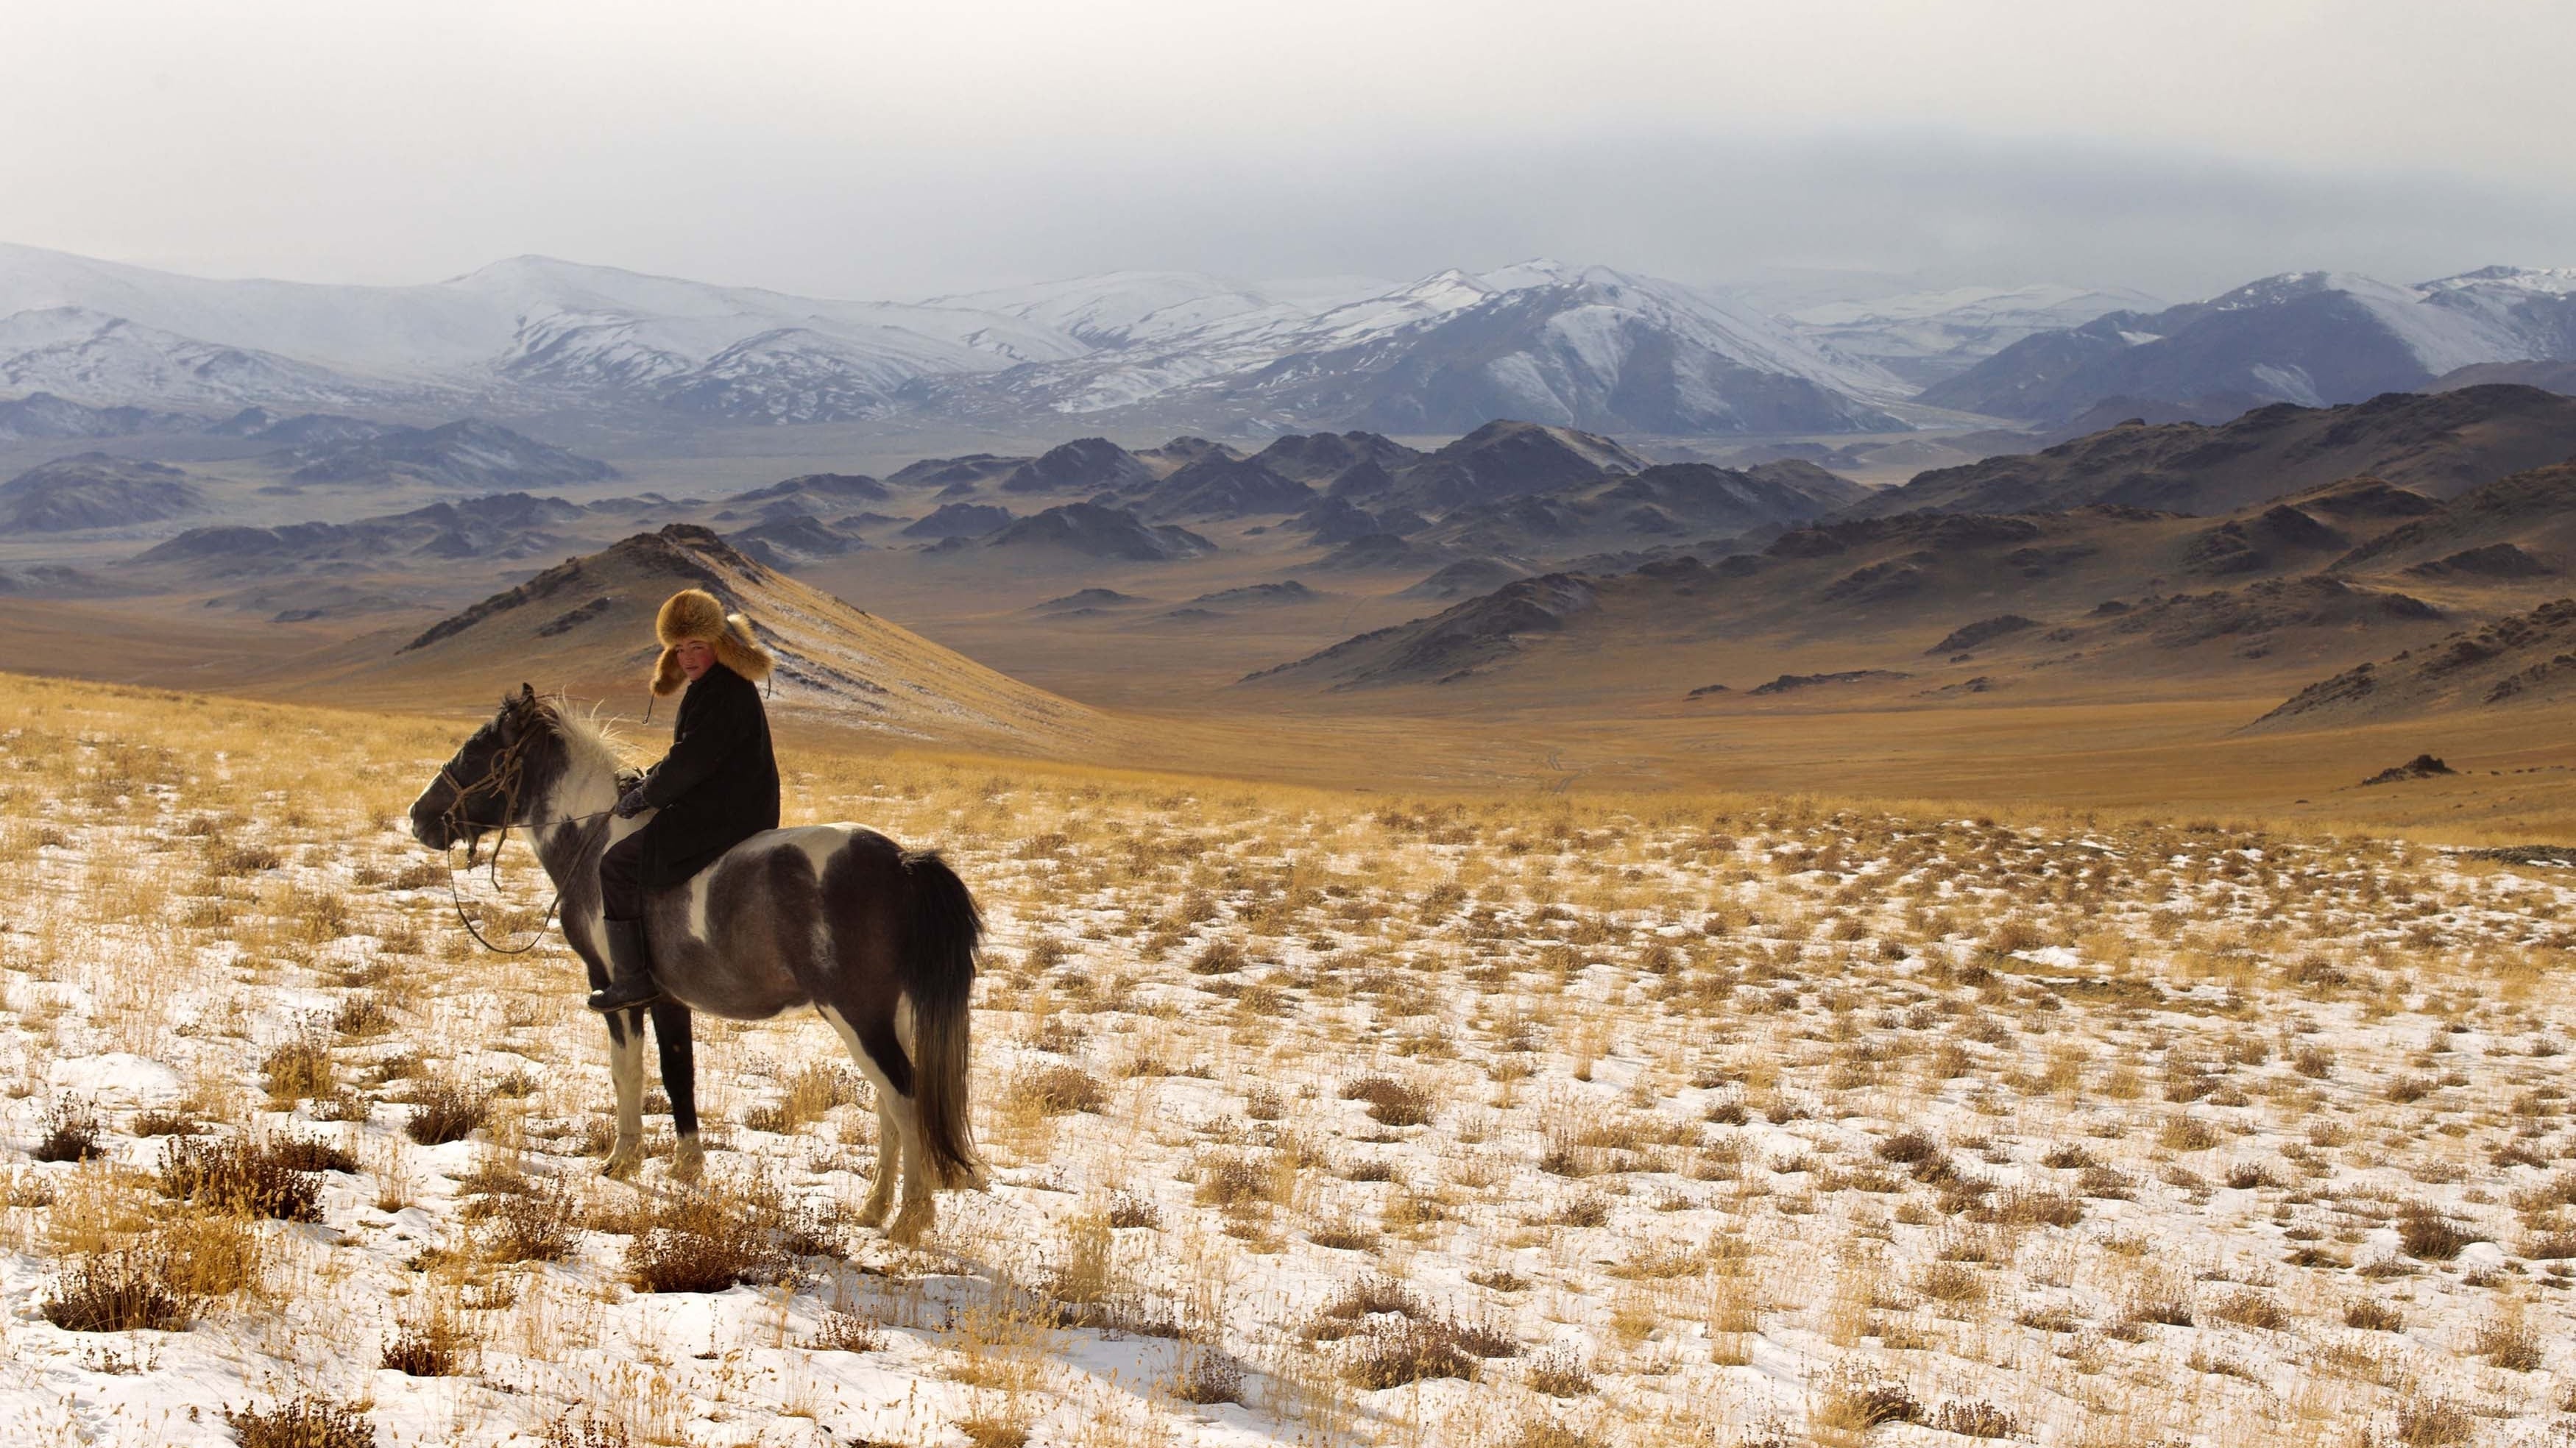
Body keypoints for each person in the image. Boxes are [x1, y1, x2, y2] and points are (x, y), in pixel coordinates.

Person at [588, 588, 782, 1012]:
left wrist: (646, 796)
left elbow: (693, 760)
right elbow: (691, 753)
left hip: (725, 812)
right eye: (678, 649)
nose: (688, 657)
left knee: (616, 865)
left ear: (719, 645)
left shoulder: (722, 688)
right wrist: (650, 781)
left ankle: (633, 980)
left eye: (697, 646)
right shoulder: (715, 683)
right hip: (733, 803)